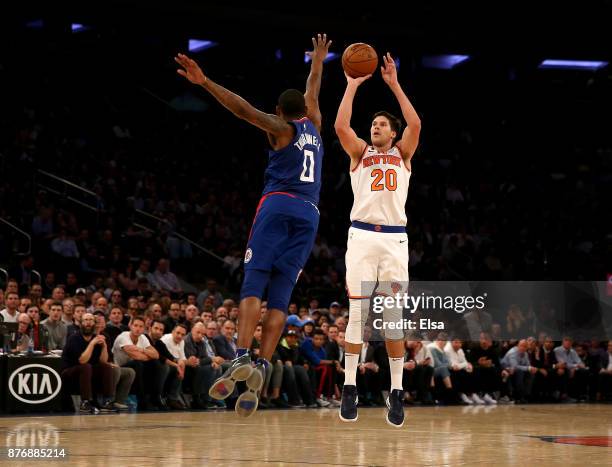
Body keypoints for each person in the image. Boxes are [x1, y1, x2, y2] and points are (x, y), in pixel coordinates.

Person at [175, 33, 331, 418]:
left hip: (278, 205)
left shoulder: (282, 129)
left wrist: (206, 82)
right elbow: (312, 91)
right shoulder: (315, 125)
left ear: (280, 111)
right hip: (310, 214)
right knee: (280, 297)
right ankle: (263, 363)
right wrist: (317, 63)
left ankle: (241, 356)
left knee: (254, 282)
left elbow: (243, 110)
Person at [334, 52, 421, 427]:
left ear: (393, 132)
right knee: (357, 315)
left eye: (381, 124)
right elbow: (340, 126)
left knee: (393, 320)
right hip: (362, 236)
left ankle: (397, 392)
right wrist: (352, 86)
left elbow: (416, 121)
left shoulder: (403, 153)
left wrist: (394, 84)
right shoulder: (360, 153)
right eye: (373, 124)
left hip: (395, 241)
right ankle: (350, 386)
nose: (375, 128)